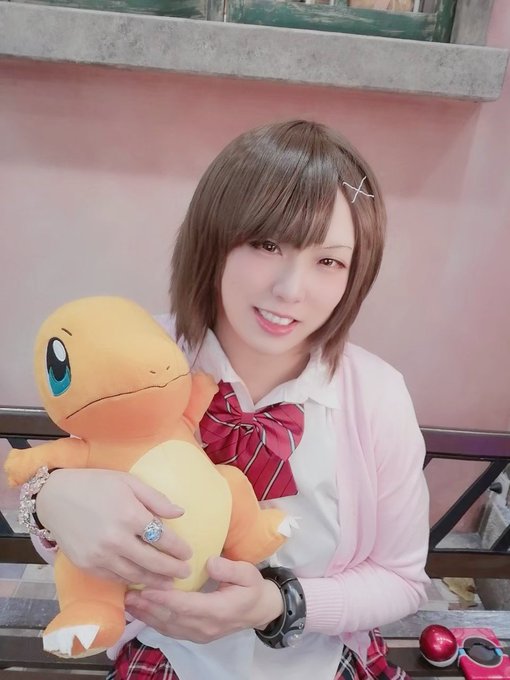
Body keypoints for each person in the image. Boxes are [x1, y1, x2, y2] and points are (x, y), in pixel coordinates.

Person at [31, 120, 430, 680]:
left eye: (329, 261)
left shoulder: (378, 395)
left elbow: (402, 579)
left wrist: (277, 605)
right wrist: (49, 499)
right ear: (213, 239)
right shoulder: (136, 353)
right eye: (267, 244)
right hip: (166, 651)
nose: (290, 289)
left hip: (320, 658)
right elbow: (59, 512)